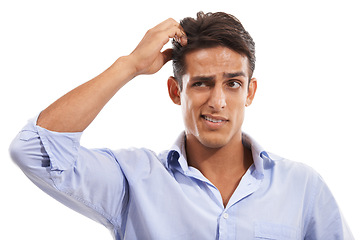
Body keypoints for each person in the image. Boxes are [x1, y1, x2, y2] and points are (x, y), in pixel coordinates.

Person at [9, 11, 353, 240]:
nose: (217, 101)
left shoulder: (303, 186)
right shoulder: (134, 180)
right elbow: (34, 149)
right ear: (176, 91)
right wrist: (128, 65)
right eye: (202, 83)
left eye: (232, 83)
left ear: (250, 91)